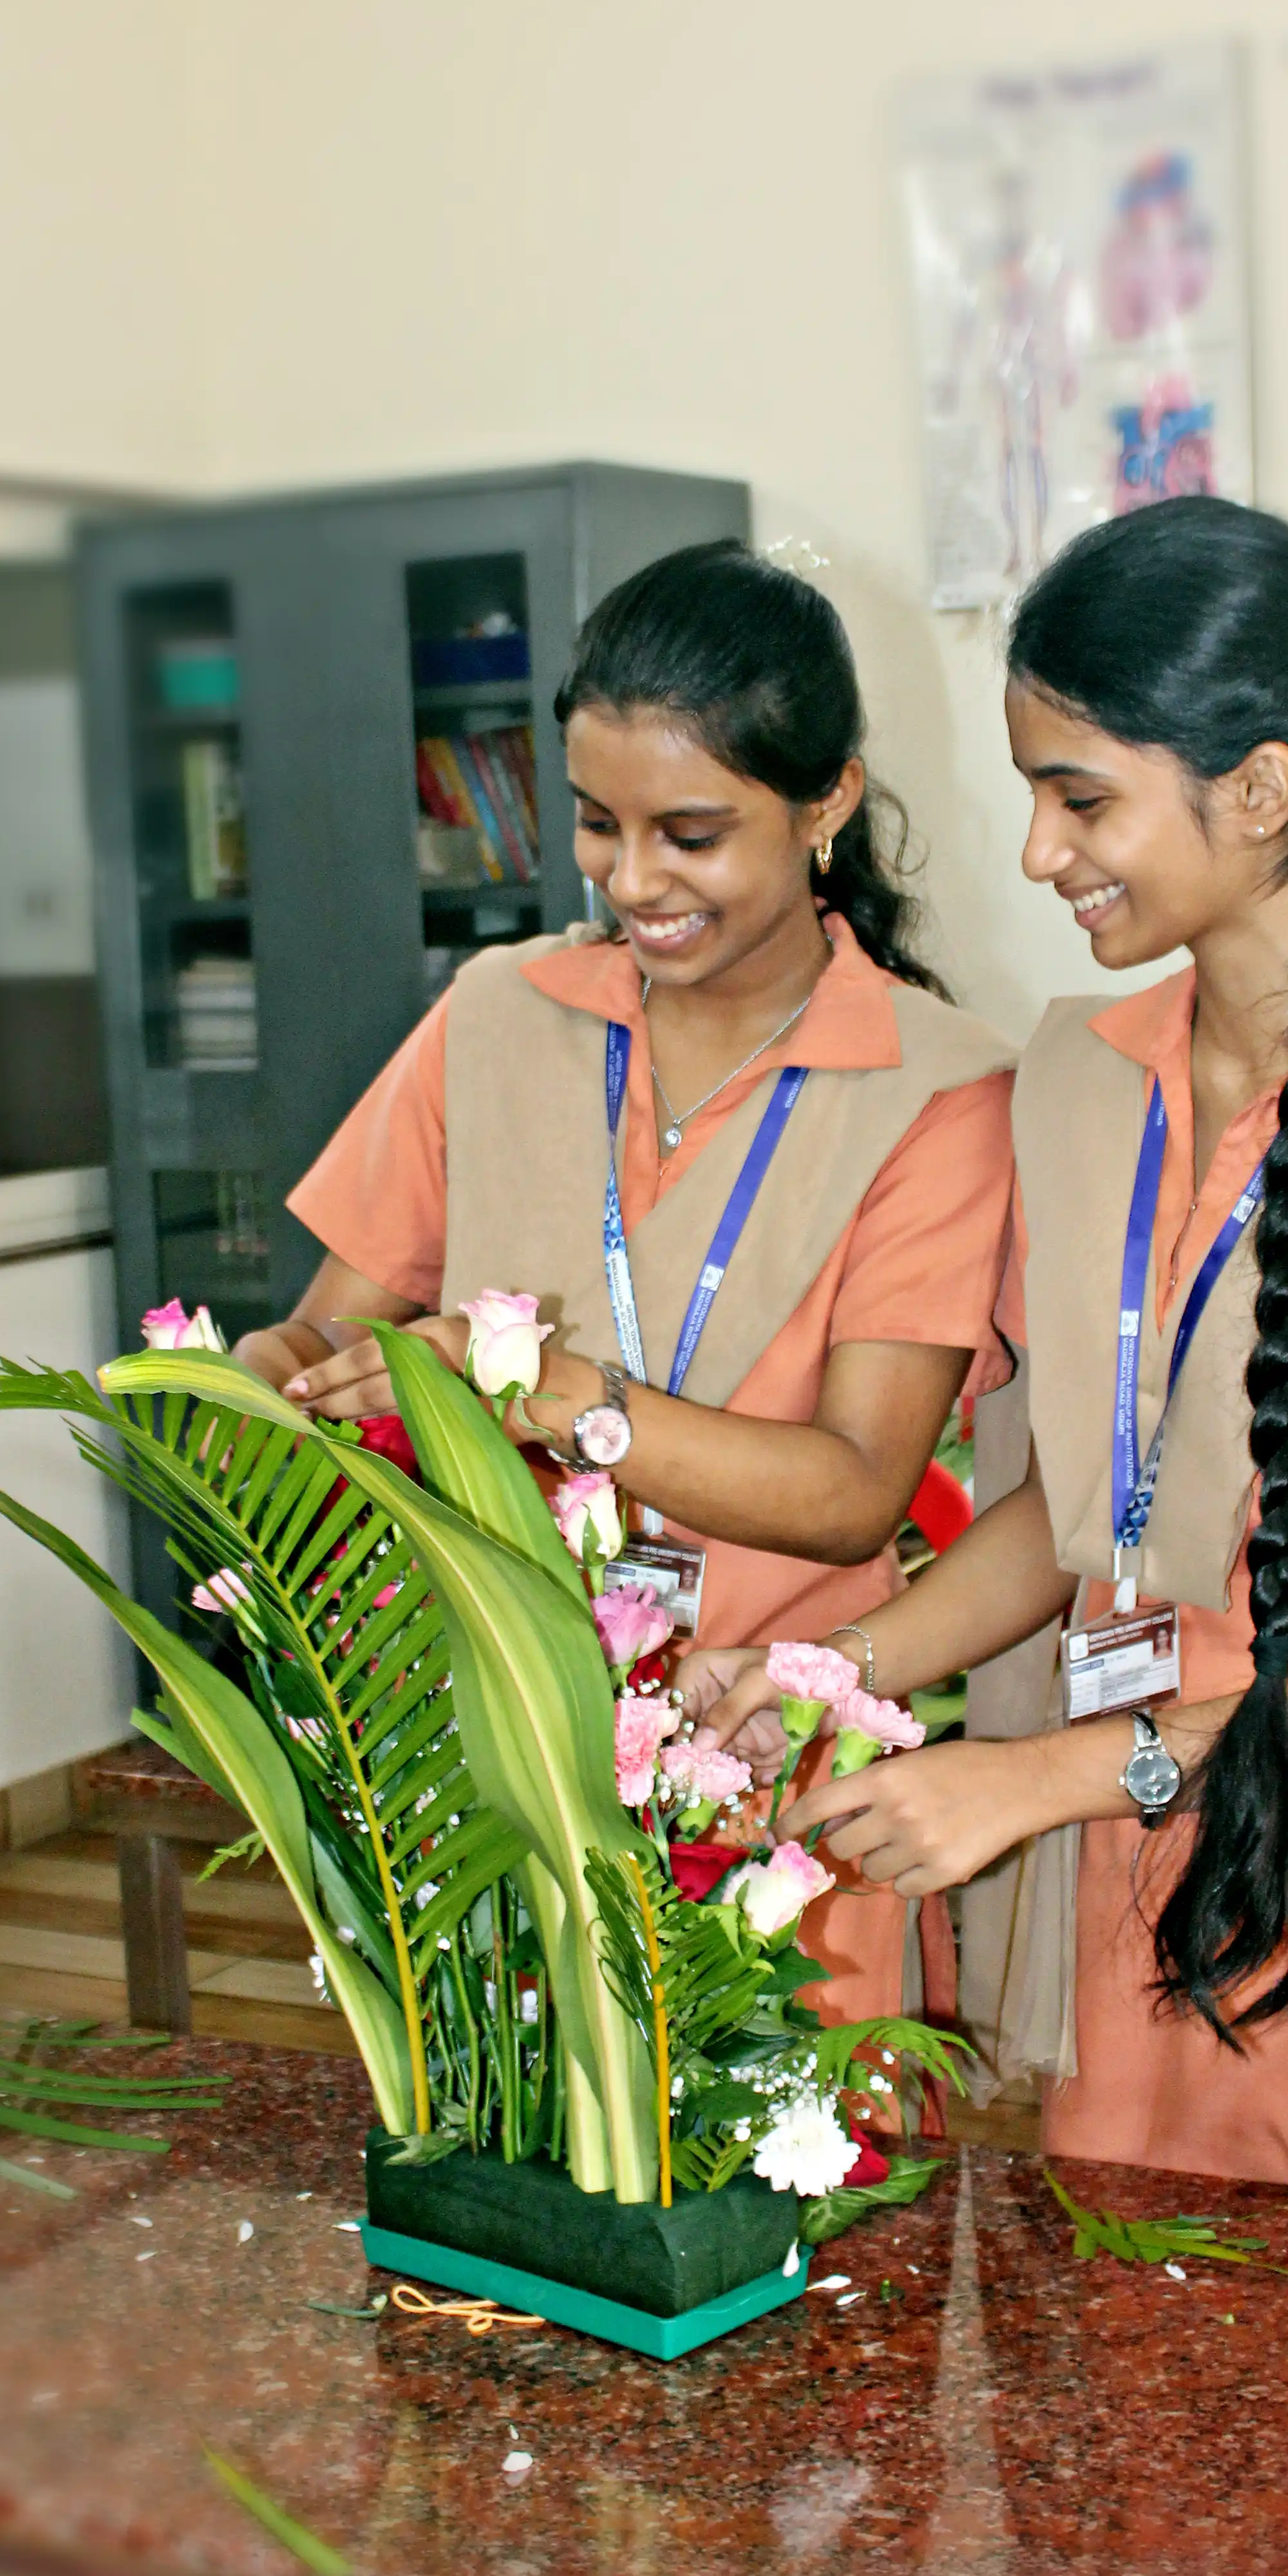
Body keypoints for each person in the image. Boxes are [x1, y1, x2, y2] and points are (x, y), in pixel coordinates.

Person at [683, 499, 1288, 2267]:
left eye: (1083, 796)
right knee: (1128, 2462)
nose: (1044, 852)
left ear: (1264, 792)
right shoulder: (1081, 1086)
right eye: (1032, 793)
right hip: (1131, 1888)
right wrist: (835, 1666)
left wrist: (1048, 1776)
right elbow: (1074, 1518)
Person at [236, 539, 1016, 2026]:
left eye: (691, 832)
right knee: (510, 2189)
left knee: (797, 2209)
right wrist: (264, 1385)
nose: (630, 878)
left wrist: (550, 1394)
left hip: (774, 1766)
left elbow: (856, 1486)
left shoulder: (937, 1086)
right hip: (486, 1753)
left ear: (826, 801)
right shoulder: (494, 1016)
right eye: (597, 824)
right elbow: (331, 1321)